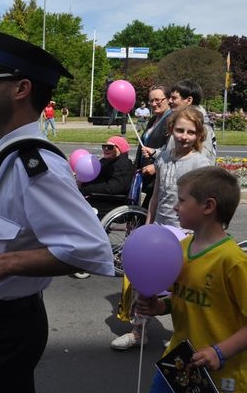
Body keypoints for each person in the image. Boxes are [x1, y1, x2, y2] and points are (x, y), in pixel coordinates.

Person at [0, 31, 114, 393]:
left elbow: (91, 247)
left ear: (21, 89)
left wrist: (5, 264)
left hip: (11, 328)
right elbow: (12, 220)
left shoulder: (37, 164)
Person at [135, 166, 247, 392]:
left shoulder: (233, 261)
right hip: (179, 359)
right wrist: (158, 306)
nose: (175, 206)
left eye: (182, 201)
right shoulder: (180, 249)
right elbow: (183, 297)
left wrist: (219, 352)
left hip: (221, 374)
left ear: (208, 206)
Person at [112, 107, 212, 350]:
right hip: (158, 229)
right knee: (141, 280)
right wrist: (148, 225)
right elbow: (156, 194)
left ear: (199, 135)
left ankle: (184, 337)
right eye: (180, 130)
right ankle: (139, 330)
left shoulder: (200, 163)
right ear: (171, 130)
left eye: (190, 132)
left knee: (183, 287)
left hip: (185, 233)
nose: (184, 136)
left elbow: (202, 204)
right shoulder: (164, 158)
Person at [143, 79, 216, 164]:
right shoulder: (180, 120)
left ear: (189, 100)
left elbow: (203, 162)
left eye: (174, 98)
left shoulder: (202, 125)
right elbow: (173, 151)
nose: (170, 101)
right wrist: (154, 152)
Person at [134, 85, 172, 208]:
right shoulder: (153, 119)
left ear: (168, 99)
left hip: (158, 176)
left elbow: (172, 149)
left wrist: (156, 166)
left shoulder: (172, 120)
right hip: (146, 174)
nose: (154, 104)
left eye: (158, 100)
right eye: (151, 101)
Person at [79, 135, 135, 217]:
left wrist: (86, 187)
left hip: (112, 201)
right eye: (104, 146)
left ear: (120, 149)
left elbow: (114, 187)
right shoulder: (107, 161)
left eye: (110, 147)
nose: (105, 149)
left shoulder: (124, 164)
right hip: (103, 197)